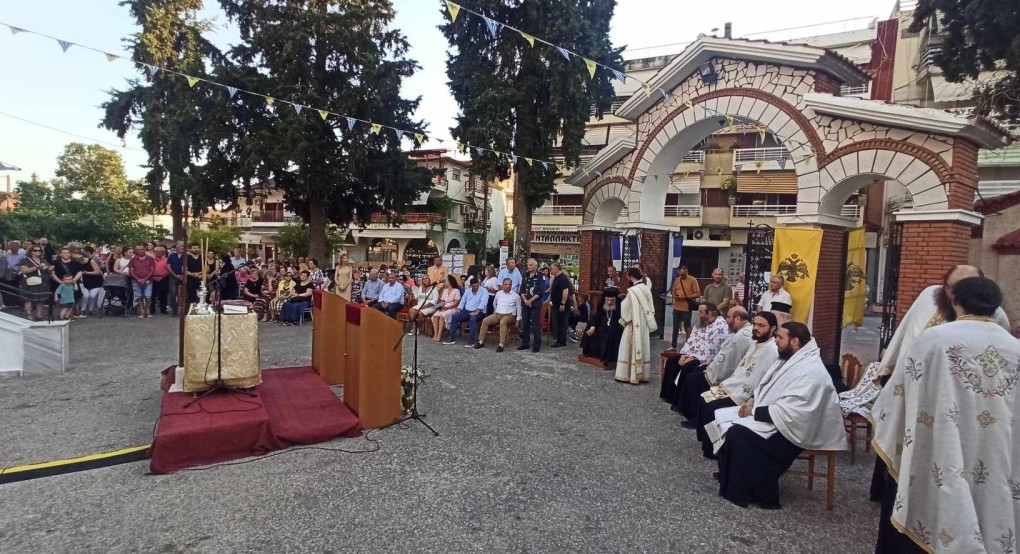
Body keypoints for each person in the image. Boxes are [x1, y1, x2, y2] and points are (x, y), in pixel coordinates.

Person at [872, 277, 1020, 553]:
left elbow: (899, 394)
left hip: (942, 441)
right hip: (998, 447)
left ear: (954, 301)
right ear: (996, 307)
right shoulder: (1015, 349)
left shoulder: (935, 339)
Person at [717, 322, 847, 509]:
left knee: (740, 434)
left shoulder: (809, 370)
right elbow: (768, 386)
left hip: (797, 430)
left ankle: (756, 493)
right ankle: (734, 482)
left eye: (780, 337)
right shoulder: (790, 358)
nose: (775, 340)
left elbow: (795, 410)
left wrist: (754, 411)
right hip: (783, 421)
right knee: (730, 424)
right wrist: (753, 401)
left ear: (794, 341)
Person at [696, 312, 780, 459]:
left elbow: (761, 377)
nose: (756, 328)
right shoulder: (756, 343)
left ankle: (716, 450)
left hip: (747, 393)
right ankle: (708, 444)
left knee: (712, 406)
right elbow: (743, 366)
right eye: (755, 324)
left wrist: (746, 395)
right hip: (737, 384)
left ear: (773, 328)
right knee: (705, 398)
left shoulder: (772, 349)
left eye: (761, 325)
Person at [676, 307, 754, 424]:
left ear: (737, 319)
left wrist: (712, 374)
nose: (726, 320)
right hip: (718, 367)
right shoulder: (745, 331)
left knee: (693, 379)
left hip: (724, 377)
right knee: (693, 373)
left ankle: (695, 418)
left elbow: (728, 363)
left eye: (728, 317)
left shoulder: (740, 337)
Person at [660, 302, 730, 405]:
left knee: (687, 368)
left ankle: (679, 402)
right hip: (692, 354)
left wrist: (692, 358)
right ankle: (668, 395)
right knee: (672, 362)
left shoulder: (720, 327)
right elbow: (692, 340)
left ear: (709, 313)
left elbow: (711, 348)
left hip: (704, 360)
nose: (699, 315)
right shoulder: (702, 322)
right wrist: (684, 354)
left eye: (701, 312)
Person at [616, 267, 657, 384]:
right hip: (643, 325)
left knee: (628, 348)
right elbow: (651, 309)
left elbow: (626, 309)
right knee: (642, 346)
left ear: (630, 276)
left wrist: (622, 320)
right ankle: (642, 375)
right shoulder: (646, 289)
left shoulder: (633, 291)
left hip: (633, 325)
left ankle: (629, 374)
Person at [580, 287, 624, 369]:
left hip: (614, 329)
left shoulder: (620, 306)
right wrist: (593, 326)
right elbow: (596, 317)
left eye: (611, 300)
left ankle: (608, 357)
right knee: (589, 330)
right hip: (602, 328)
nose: (609, 302)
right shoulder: (602, 305)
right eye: (607, 300)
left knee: (610, 335)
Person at [474, 278, 522, 352]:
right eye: (506, 284)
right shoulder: (499, 293)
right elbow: (494, 303)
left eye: (509, 284)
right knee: (485, 320)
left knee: (503, 322)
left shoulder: (515, 296)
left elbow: (519, 307)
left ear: (511, 285)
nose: (507, 286)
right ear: (502, 285)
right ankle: (481, 341)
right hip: (498, 313)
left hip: (509, 315)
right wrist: (496, 310)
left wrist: (518, 320)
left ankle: (501, 344)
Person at [444, 276, 487, 346]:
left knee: (473, 319)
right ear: (470, 286)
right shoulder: (467, 291)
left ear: (479, 284)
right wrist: (459, 308)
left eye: (477, 285)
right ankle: (451, 338)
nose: (476, 287)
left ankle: (471, 341)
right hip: (467, 311)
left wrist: (477, 311)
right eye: (474, 286)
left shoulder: (484, 291)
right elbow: (462, 301)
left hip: (479, 311)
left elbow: (483, 302)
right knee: (455, 317)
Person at [517, 258, 548, 353]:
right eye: (528, 265)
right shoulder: (525, 275)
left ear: (535, 265)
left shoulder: (540, 276)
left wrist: (530, 301)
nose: (529, 267)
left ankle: (536, 345)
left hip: (535, 304)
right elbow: (521, 289)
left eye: (530, 265)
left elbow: (541, 291)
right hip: (525, 303)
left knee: (535, 325)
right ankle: (525, 343)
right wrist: (525, 300)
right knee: (525, 324)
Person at [670, 264, 701, 349]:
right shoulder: (677, 280)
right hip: (676, 307)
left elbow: (698, 294)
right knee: (675, 327)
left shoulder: (692, 280)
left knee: (687, 327)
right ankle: (673, 346)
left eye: (683, 273)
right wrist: (674, 298)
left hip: (686, 308)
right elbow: (674, 290)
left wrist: (686, 297)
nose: (681, 275)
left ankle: (688, 345)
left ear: (686, 271)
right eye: (679, 273)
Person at [19, 245, 49, 321]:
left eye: (40, 250)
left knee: (41, 299)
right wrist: (37, 267)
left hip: (42, 282)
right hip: (30, 282)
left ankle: (39, 315)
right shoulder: (25, 260)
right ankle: (29, 314)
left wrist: (50, 268)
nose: (38, 252)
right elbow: (24, 270)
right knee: (28, 299)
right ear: (30, 251)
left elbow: (48, 270)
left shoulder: (44, 260)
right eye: (35, 250)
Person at [51, 247, 84, 317]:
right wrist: (59, 281)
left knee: (73, 299)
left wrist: (74, 280)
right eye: (63, 253)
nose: (65, 254)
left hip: (72, 283)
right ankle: (61, 315)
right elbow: (52, 273)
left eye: (67, 253)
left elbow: (80, 272)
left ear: (70, 254)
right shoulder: (55, 263)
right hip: (59, 284)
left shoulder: (76, 263)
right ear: (60, 254)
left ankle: (70, 315)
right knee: (60, 300)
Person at [549, 262, 574, 348]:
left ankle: (561, 341)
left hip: (561, 305)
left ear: (556, 269)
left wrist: (562, 303)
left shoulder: (562, 278)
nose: (551, 270)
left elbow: (565, 291)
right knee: (558, 322)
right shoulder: (557, 278)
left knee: (561, 323)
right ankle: (559, 340)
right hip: (556, 304)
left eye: (552, 269)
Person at [431, 275, 462, 342]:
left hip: (452, 308)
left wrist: (447, 307)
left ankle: (439, 334)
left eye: (446, 280)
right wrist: (440, 306)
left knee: (442, 316)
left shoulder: (456, 290)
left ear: (450, 281)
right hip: (444, 306)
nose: (444, 282)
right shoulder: (445, 290)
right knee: (435, 315)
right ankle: (435, 333)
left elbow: (456, 303)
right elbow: (442, 301)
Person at [128, 244, 156, 318]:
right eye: (138, 249)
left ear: (145, 249)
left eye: (142, 249)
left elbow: (152, 270)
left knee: (148, 296)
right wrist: (138, 279)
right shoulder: (133, 260)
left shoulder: (150, 259)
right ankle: (142, 312)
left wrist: (145, 278)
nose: (140, 251)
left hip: (148, 280)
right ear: (136, 251)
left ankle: (148, 311)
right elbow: (131, 271)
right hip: (136, 281)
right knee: (139, 296)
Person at [78, 246, 106, 317]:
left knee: (92, 296)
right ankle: (83, 310)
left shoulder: (93, 260)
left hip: (95, 281)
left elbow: (98, 271)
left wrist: (87, 272)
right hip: (85, 281)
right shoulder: (79, 263)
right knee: (85, 296)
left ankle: (91, 309)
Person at [148, 247, 171, 315]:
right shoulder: (151, 260)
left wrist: (162, 276)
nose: (158, 253)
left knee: (163, 294)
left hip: (163, 278)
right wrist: (153, 276)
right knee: (152, 295)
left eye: (160, 251)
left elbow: (168, 269)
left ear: (163, 252)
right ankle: (151, 309)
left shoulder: (167, 260)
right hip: (152, 278)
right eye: (156, 251)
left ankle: (163, 309)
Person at [167, 243, 183, 316]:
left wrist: (182, 275)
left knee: (182, 294)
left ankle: (183, 310)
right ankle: (174, 310)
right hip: (173, 277)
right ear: (177, 247)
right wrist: (175, 275)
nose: (182, 248)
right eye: (181, 246)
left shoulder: (187, 256)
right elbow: (168, 266)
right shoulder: (171, 256)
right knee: (172, 294)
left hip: (183, 277)